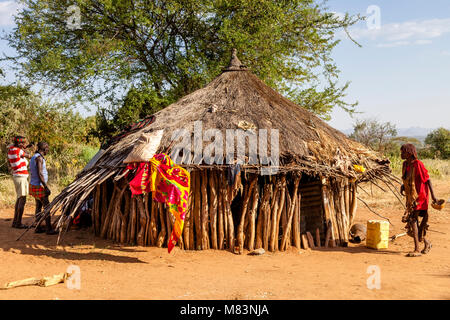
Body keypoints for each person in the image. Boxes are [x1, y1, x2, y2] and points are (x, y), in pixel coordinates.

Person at [400, 143, 437, 257]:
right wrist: (403, 186)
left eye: (403, 152)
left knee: (412, 220)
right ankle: (426, 243)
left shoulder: (418, 164)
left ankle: (417, 249)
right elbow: (407, 179)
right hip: (411, 197)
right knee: (413, 222)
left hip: (420, 197)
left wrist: (434, 197)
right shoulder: (405, 164)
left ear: (409, 153)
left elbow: (428, 180)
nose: (401, 154)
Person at [29, 142, 57, 235]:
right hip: (39, 186)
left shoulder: (34, 156)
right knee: (47, 207)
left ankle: (38, 227)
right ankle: (48, 229)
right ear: (44, 149)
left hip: (34, 185)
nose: (48, 150)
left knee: (38, 206)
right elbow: (40, 173)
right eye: (47, 148)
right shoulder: (39, 158)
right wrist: (46, 187)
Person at [8, 136, 33, 229]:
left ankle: (15, 221)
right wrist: (28, 149)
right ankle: (18, 223)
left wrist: (25, 147)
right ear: (18, 143)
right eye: (22, 143)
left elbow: (21, 150)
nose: (23, 145)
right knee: (22, 199)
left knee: (19, 199)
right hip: (21, 176)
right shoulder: (19, 151)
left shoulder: (12, 149)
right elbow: (29, 156)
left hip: (17, 176)